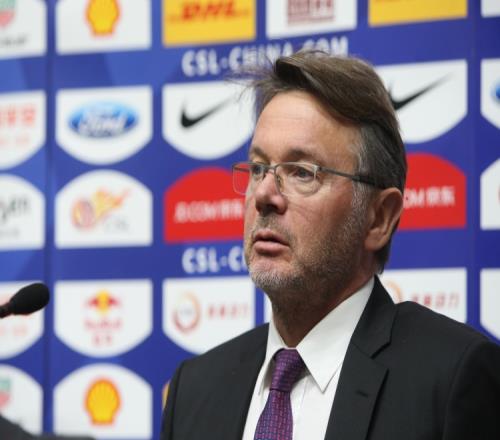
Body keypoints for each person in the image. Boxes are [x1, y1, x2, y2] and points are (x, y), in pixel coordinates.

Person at [160, 51, 500, 440]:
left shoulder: (451, 379)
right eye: (258, 168)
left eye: (302, 172)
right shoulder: (195, 389)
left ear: (379, 217)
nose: (265, 195)